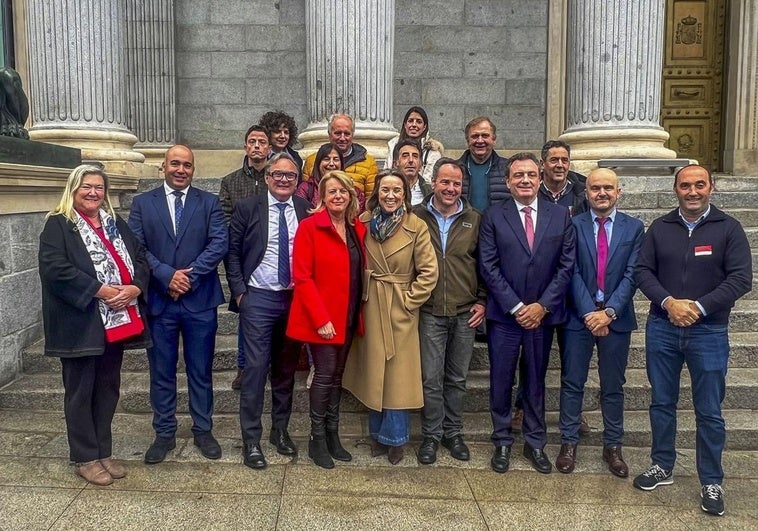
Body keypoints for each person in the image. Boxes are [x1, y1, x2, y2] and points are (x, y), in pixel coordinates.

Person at [633, 164, 752, 516]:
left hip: (709, 331)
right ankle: (662, 465)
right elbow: (642, 271)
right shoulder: (660, 228)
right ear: (676, 189)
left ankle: (712, 480)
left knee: (710, 411)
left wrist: (698, 307)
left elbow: (741, 279)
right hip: (663, 327)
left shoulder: (728, 229)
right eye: (686, 185)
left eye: (700, 184)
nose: (693, 191)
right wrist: (669, 303)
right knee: (661, 402)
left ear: (711, 188)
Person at [39, 165, 149, 486]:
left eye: (99, 188)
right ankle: (84, 457)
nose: (93, 193)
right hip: (80, 323)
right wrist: (100, 290)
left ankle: (103, 451)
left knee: (107, 388)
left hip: (114, 324)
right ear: (73, 189)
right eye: (86, 186)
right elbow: (55, 269)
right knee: (80, 391)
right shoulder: (58, 225)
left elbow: (140, 257)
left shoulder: (115, 224)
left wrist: (135, 288)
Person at [128, 145, 228, 465]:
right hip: (160, 302)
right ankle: (164, 432)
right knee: (162, 371)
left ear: (193, 169)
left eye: (187, 165)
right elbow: (136, 247)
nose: (181, 170)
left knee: (200, 370)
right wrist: (167, 276)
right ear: (164, 167)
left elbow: (219, 243)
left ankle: (203, 429)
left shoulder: (209, 202)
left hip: (199, 301)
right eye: (175, 164)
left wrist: (188, 278)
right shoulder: (143, 203)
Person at [478, 152, 575, 474]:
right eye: (518, 175)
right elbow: (488, 266)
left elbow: (566, 265)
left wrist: (542, 306)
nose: (525, 180)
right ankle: (502, 441)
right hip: (505, 317)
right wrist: (518, 306)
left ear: (541, 177)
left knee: (534, 381)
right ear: (508, 181)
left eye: (531, 175)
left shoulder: (560, 216)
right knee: (501, 381)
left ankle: (535, 443)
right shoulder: (493, 216)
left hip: (542, 317)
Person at [343, 169, 438, 465]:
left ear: (405, 194)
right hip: (371, 305)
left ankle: (396, 439)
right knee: (374, 373)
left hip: (400, 307)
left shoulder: (416, 225)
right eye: (385, 189)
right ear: (376, 192)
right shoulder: (363, 222)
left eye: (397, 190)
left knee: (397, 377)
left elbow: (429, 271)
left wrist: (409, 302)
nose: (391, 195)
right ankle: (376, 435)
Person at [226, 152, 312, 470]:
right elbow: (232, 252)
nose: (284, 180)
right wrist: (240, 294)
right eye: (278, 174)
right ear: (267, 177)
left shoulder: (305, 209)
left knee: (286, 370)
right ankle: (251, 440)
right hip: (258, 298)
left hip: (293, 300)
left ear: (298, 180)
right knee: (255, 371)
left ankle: (280, 431)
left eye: (290, 175)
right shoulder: (248, 208)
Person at [556, 168, 644, 477]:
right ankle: (568, 443)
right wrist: (588, 313)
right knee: (572, 382)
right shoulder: (573, 225)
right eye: (595, 188)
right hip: (579, 319)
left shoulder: (635, 228)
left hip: (616, 320)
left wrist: (609, 312)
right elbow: (570, 270)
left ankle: (613, 447)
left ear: (619, 192)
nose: (602, 193)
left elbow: (634, 274)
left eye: (608, 187)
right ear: (587, 193)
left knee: (613, 386)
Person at [286, 170, 366, 469]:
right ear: (321, 196)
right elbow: (302, 278)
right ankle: (316, 438)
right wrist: (321, 318)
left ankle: (333, 435)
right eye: (331, 191)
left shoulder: (357, 229)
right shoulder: (310, 227)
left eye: (343, 191)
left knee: (337, 376)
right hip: (322, 318)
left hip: (347, 314)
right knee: (324, 374)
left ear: (351, 196)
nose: (337, 196)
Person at [413, 158, 485, 465]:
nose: (451, 189)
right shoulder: (415, 216)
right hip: (429, 311)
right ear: (433, 182)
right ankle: (430, 434)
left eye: (456, 184)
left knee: (456, 378)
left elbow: (483, 264)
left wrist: (482, 300)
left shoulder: (474, 218)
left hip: (464, 311)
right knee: (430, 378)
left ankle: (453, 433)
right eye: (445, 182)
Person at [219, 124, 271, 389]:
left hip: (270, 256)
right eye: (252, 141)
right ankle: (243, 366)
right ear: (245, 146)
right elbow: (224, 218)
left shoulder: (275, 178)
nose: (257, 146)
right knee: (245, 312)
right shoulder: (231, 181)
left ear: (270, 148)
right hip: (241, 256)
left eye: (262, 142)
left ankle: (268, 365)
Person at [302, 113, 379, 195]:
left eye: (347, 134)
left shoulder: (369, 163)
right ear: (329, 133)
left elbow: (371, 200)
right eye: (338, 133)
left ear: (352, 134)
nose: (342, 138)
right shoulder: (311, 161)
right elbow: (305, 194)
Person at [457, 116, 509, 212]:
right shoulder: (455, 169)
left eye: (485, 136)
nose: (480, 141)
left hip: (497, 225)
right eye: (474, 136)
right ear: (467, 141)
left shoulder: (508, 168)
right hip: (465, 224)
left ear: (494, 139)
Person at [295, 142, 366, 213]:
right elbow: (300, 215)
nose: (331, 163)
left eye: (336, 159)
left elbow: (358, 216)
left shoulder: (353, 190)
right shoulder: (306, 189)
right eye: (326, 159)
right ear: (318, 163)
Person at [385, 106, 444, 184]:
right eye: (410, 121)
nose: (414, 125)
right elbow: (387, 173)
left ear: (424, 127)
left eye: (419, 122)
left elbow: (428, 183)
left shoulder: (432, 151)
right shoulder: (393, 145)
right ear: (405, 124)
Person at [538, 140, 588, 216]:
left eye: (564, 160)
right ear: (542, 164)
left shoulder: (583, 193)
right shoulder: (531, 192)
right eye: (554, 160)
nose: (560, 165)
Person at [393, 138, 432, 206]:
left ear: (420, 165)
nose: (411, 160)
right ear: (395, 164)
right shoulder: (386, 190)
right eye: (405, 156)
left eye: (415, 156)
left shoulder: (431, 193)